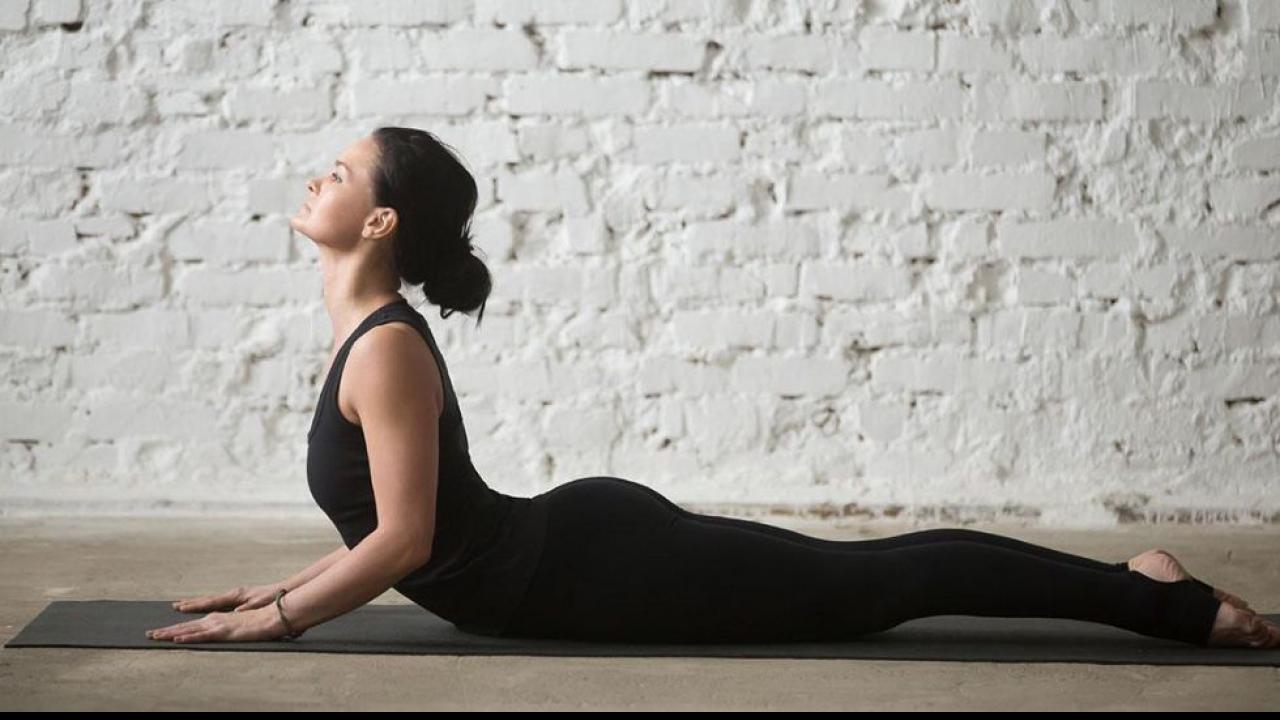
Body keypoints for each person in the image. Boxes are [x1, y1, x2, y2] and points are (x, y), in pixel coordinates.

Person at [144, 127, 1279, 650]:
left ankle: (1162, 602)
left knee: (880, 584)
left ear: (379, 220)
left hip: (586, 567)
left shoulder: (385, 346)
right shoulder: (365, 335)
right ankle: (1139, 584)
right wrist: (265, 593)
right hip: (564, 559)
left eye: (337, 173)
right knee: (870, 579)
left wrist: (281, 622)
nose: (315, 176)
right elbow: (388, 527)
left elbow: (401, 541)